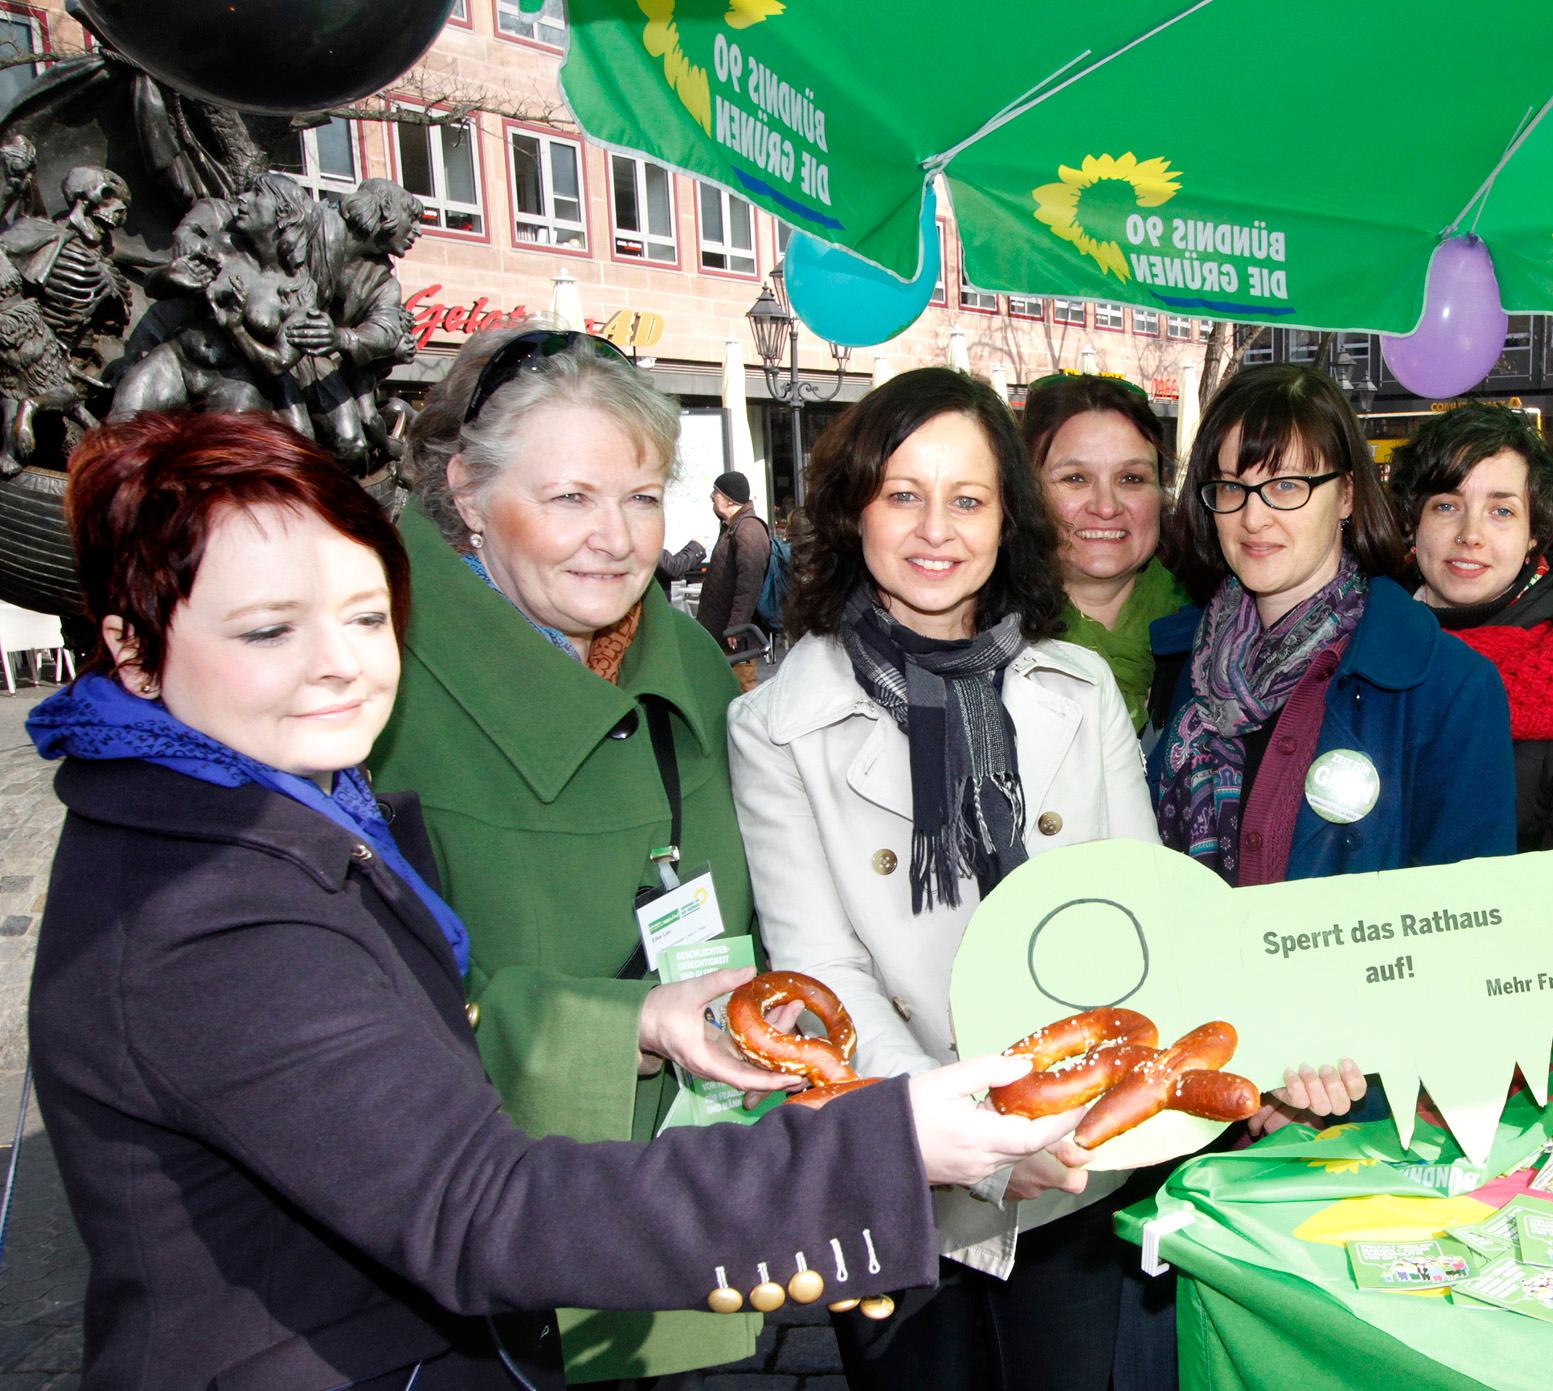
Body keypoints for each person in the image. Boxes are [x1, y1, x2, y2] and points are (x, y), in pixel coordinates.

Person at [28, 410, 1078, 1390]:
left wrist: (647, 1018)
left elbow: (397, 1069)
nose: (338, 665)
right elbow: (482, 1209)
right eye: (268, 631)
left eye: (363, 614)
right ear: (132, 646)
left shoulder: (259, 813)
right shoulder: (210, 903)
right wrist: (884, 1146)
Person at [727, 367, 1159, 1391]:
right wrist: (961, 1125)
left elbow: (1136, 914)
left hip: (1074, 1157)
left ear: (1008, 517)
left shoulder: (1079, 684)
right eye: (902, 494)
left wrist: (1065, 1119)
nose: (937, 529)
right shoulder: (776, 722)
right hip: (896, 1160)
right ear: (853, 511)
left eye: (967, 498)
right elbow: (821, 973)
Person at [367, 328, 774, 1380]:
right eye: (569, 498)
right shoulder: (367, 677)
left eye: (642, 498)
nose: (615, 538)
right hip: (483, 1229)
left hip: (692, 1170)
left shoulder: (681, 649)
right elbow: (354, 1004)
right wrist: (610, 1027)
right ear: (466, 491)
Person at [1152, 364, 1517, 1135]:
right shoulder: (1181, 664)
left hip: (1348, 1116)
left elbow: (1462, 938)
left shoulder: (1447, 685)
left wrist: (1340, 1081)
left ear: (1346, 496)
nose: (1254, 517)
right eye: (1231, 487)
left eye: (1287, 485)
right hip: (1182, 1089)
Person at [1386, 403, 1553, 851]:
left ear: (1534, 533)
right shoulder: (1355, 641)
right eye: (1446, 505)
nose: (1470, 533)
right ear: (1414, 523)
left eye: (1502, 512)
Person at [1025, 371, 1189, 734]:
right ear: (1027, 493)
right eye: (1075, 478)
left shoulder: (1218, 639)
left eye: (1131, 478)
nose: (1106, 506)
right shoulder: (982, 643)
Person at [696, 468, 772, 692]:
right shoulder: (733, 528)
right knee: (722, 688)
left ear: (729, 499)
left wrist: (737, 626)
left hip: (737, 637)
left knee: (740, 690)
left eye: (716, 493)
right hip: (723, 632)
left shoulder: (748, 529)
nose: (712, 497)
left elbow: (749, 583)